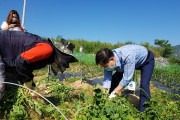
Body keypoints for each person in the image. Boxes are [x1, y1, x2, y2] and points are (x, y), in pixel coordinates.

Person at [0, 30, 78, 100]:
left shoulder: (46, 55)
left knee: (11, 88)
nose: (63, 64)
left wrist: (31, 84)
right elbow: (21, 61)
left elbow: (25, 67)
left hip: (7, 58)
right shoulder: (47, 49)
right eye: (65, 60)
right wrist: (28, 82)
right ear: (61, 54)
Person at [95, 44, 155, 112]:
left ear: (112, 59)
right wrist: (105, 95)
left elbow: (126, 79)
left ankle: (144, 111)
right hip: (125, 64)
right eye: (103, 67)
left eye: (106, 66)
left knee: (144, 85)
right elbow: (107, 80)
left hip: (146, 60)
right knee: (114, 80)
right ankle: (108, 104)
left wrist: (115, 92)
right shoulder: (107, 60)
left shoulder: (127, 55)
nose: (105, 68)